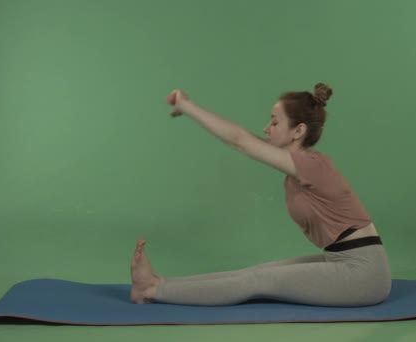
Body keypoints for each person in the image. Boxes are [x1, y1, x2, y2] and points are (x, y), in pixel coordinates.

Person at [130, 83, 391, 307]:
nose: (267, 128)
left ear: (298, 131)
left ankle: (153, 291)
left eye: (275, 122)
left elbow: (240, 141)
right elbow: (242, 140)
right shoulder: (298, 168)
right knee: (256, 272)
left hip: (363, 274)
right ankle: (156, 283)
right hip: (343, 260)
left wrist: (187, 106)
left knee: (257, 282)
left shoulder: (313, 165)